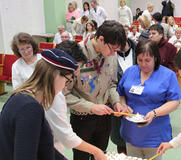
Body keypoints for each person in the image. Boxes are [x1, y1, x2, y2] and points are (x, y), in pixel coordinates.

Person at [64, 20, 128, 160]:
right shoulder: (77, 53)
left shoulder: (111, 55)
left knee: (100, 154)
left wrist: (116, 102)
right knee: (81, 156)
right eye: (111, 49)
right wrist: (91, 107)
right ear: (101, 39)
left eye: (116, 51)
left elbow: (111, 83)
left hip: (104, 116)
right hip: (82, 117)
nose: (113, 54)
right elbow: (64, 93)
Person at [0, 48, 78, 160]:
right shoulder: (30, 108)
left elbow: (41, 145)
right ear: (55, 76)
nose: (66, 86)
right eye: (68, 80)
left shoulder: (21, 96)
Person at [117, 40, 181, 160]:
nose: (143, 64)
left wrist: (154, 113)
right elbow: (121, 93)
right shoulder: (130, 71)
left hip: (154, 133)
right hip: (131, 130)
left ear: (155, 58)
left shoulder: (167, 75)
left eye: (147, 60)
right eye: (140, 60)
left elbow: (174, 102)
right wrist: (123, 104)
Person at [45, 41, 106, 160]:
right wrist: (96, 151)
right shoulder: (54, 95)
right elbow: (67, 136)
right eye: (74, 70)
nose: (76, 75)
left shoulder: (53, 89)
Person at [110, 27, 137, 154]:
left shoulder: (140, 50)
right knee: (120, 140)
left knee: (138, 140)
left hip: (138, 102)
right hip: (116, 102)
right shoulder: (109, 54)